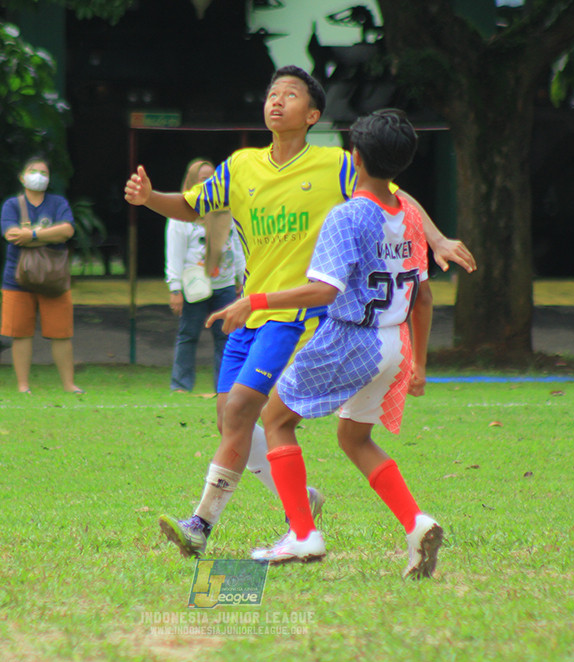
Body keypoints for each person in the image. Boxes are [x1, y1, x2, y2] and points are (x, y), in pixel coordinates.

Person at [124, 65, 475, 558]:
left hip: (298, 312)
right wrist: (149, 199)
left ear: (312, 114)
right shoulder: (242, 165)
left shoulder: (336, 164)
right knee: (229, 417)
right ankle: (299, 506)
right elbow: (191, 205)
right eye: (272, 93)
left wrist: (436, 238)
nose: (276, 101)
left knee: (251, 410)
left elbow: (391, 192)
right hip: (251, 311)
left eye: (290, 95)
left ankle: (203, 525)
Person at [209, 108, 440, 578]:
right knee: (354, 437)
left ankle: (302, 535)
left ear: (354, 157)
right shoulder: (411, 216)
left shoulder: (348, 215)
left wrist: (255, 300)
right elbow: (424, 294)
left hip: (351, 338)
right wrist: (419, 363)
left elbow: (325, 292)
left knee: (274, 419)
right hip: (394, 344)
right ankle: (417, 523)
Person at [0, 156, 83, 394]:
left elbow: (67, 230)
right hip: (16, 279)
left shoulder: (58, 202)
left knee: (61, 334)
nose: (39, 176)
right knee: (20, 333)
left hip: (54, 279)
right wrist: (48, 233)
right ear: (22, 176)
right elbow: (12, 234)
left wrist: (33, 235)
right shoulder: (12, 205)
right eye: (34, 171)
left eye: (44, 173)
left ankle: (69, 384)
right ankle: (23, 386)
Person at [165, 159, 245, 393]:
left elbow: (237, 246)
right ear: (192, 182)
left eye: (213, 178)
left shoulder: (228, 211)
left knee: (226, 338)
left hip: (226, 285)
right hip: (194, 286)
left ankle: (225, 386)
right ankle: (181, 385)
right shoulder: (182, 214)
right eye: (203, 179)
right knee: (188, 335)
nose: (209, 183)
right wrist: (175, 289)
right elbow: (175, 254)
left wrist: (241, 277)